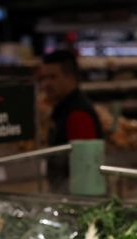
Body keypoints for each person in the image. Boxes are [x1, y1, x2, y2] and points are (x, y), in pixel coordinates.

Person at [38, 50, 103, 192]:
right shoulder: (62, 109)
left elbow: (86, 170)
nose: (46, 84)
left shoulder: (78, 114)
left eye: (52, 77)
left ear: (71, 77)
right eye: (43, 78)